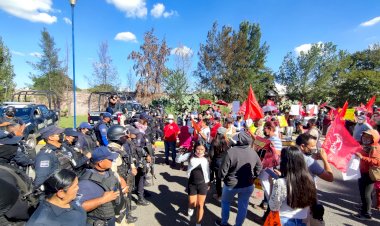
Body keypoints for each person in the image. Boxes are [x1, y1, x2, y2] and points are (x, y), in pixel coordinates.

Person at [215, 131, 263, 226]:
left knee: (225, 203)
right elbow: (259, 167)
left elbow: (222, 171)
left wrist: (223, 179)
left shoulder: (231, 152)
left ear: (238, 141)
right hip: (248, 184)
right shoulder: (253, 152)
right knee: (243, 206)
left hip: (231, 185)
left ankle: (224, 223)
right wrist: (253, 177)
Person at [77, 146, 126, 226]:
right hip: (98, 222)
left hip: (110, 216)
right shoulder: (85, 181)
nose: (112, 160)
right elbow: (79, 207)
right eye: (109, 159)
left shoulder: (108, 172)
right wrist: (103, 199)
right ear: (100, 162)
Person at [269, 146, 317, 226]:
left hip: (282, 220)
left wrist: (272, 184)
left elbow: (273, 206)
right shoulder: (310, 181)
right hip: (302, 221)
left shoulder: (281, 183)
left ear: (285, 163)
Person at [107, 125, 138, 223]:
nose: (127, 137)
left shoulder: (120, 148)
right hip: (119, 185)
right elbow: (112, 171)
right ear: (118, 137)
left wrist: (132, 166)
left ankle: (127, 214)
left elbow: (127, 157)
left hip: (125, 180)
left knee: (126, 200)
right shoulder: (112, 152)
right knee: (120, 206)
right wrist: (122, 182)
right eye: (125, 136)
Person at [352, 129, 380, 220]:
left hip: (369, 174)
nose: (365, 138)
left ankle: (367, 214)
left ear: (374, 138)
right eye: (364, 136)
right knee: (365, 193)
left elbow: (377, 162)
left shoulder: (375, 148)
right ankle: (364, 209)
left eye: (368, 137)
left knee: (366, 194)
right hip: (363, 172)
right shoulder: (367, 146)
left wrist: (362, 157)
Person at [187, 142, 210, 226]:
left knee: (200, 205)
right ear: (194, 148)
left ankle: (198, 223)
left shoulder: (206, 159)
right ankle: (190, 208)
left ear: (205, 150)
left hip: (203, 184)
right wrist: (181, 152)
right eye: (198, 149)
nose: (200, 151)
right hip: (192, 184)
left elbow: (208, 172)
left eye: (202, 149)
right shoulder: (191, 157)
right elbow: (178, 160)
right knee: (192, 203)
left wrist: (208, 183)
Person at [209, 127, 229, 201]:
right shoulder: (227, 141)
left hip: (217, 162)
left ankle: (219, 195)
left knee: (218, 179)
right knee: (226, 178)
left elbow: (211, 154)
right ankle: (226, 194)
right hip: (225, 162)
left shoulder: (214, 141)